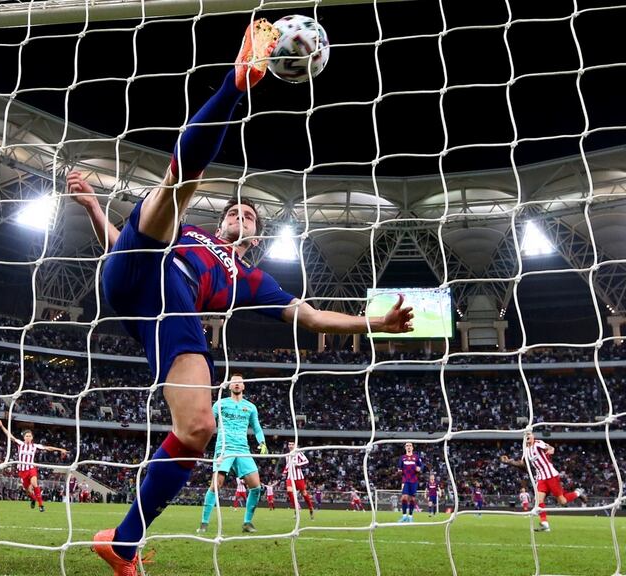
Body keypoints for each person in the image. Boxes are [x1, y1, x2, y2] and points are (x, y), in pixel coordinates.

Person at [68, 19, 415, 576]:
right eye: (234, 210)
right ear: (222, 221)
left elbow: (310, 316)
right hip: (144, 264)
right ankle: (237, 81)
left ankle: (123, 543)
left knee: (197, 429)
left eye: (248, 214)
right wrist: (92, 207)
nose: (239, 214)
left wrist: (373, 322)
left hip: (165, 306)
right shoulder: (192, 233)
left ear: (255, 235)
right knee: (178, 186)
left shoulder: (250, 279)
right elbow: (123, 250)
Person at [197, 374, 267, 533]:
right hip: (224, 448)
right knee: (216, 485)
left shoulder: (250, 407)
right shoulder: (220, 404)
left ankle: (247, 523)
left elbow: (257, 428)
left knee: (256, 487)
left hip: (243, 450)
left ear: (243, 386)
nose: (236, 384)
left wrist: (262, 442)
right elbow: (209, 423)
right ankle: (204, 523)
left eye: (239, 382)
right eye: (234, 382)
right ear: (229, 386)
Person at [500, 432, 586, 532]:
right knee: (538, 500)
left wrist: (550, 450)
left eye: (529, 434)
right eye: (526, 435)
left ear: (533, 436)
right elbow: (522, 464)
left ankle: (577, 492)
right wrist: (509, 461)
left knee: (562, 501)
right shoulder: (526, 450)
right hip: (541, 478)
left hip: (551, 476)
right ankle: (545, 524)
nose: (527, 436)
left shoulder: (538, 443)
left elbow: (550, 448)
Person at [0, 420, 68, 512]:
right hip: (22, 471)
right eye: (26, 436)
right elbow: (9, 435)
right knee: (28, 491)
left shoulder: (35, 446)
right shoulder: (20, 443)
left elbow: (48, 448)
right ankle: (33, 498)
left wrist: (60, 449)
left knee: (34, 484)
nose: (28, 437)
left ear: (32, 437)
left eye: (30, 436)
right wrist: (2, 426)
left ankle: (41, 505)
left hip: (31, 468)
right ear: (24, 437)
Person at [282, 440, 315, 520]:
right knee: (289, 491)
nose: (290, 446)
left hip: (299, 478)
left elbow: (306, 461)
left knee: (304, 494)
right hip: (290, 477)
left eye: (292, 444)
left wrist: (298, 464)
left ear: (295, 445)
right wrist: (284, 472)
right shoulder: (287, 455)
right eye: (289, 444)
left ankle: (311, 508)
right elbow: (288, 465)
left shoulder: (298, 453)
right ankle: (297, 508)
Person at [397, 443, 422, 523]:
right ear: (405, 448)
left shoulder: (416, 457)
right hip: (405, 480)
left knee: (412, 499)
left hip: (414, 480)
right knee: (404, 497)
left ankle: (410, 516)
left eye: (410, 446)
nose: (408, 447)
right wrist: (399, 471)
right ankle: (404, 516)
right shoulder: (402, 458)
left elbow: (421, 466)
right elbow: (399, 468)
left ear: (412, 448)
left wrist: (419, 469)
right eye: (407, 446)